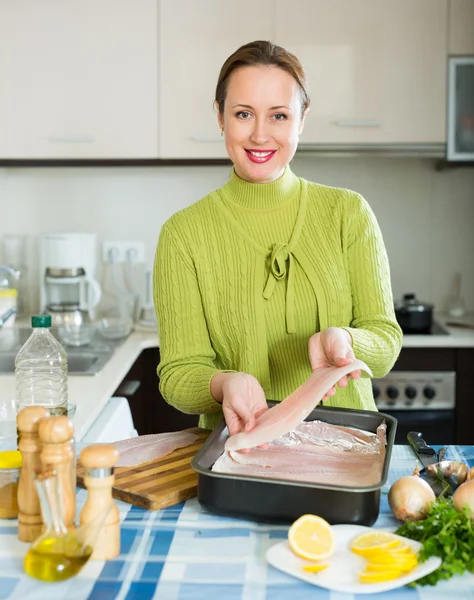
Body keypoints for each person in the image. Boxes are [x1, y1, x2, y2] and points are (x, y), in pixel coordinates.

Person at [153, 40, 402, 437]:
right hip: (240, 451)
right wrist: (222, 384)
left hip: (346, 448)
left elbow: (385, 339)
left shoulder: (348, 213)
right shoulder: (183, 234)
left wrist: (347, 340)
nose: (259, 135)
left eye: (279, 116)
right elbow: (179, 374)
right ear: (220, 117)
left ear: (301, 120)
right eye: (243, 113)